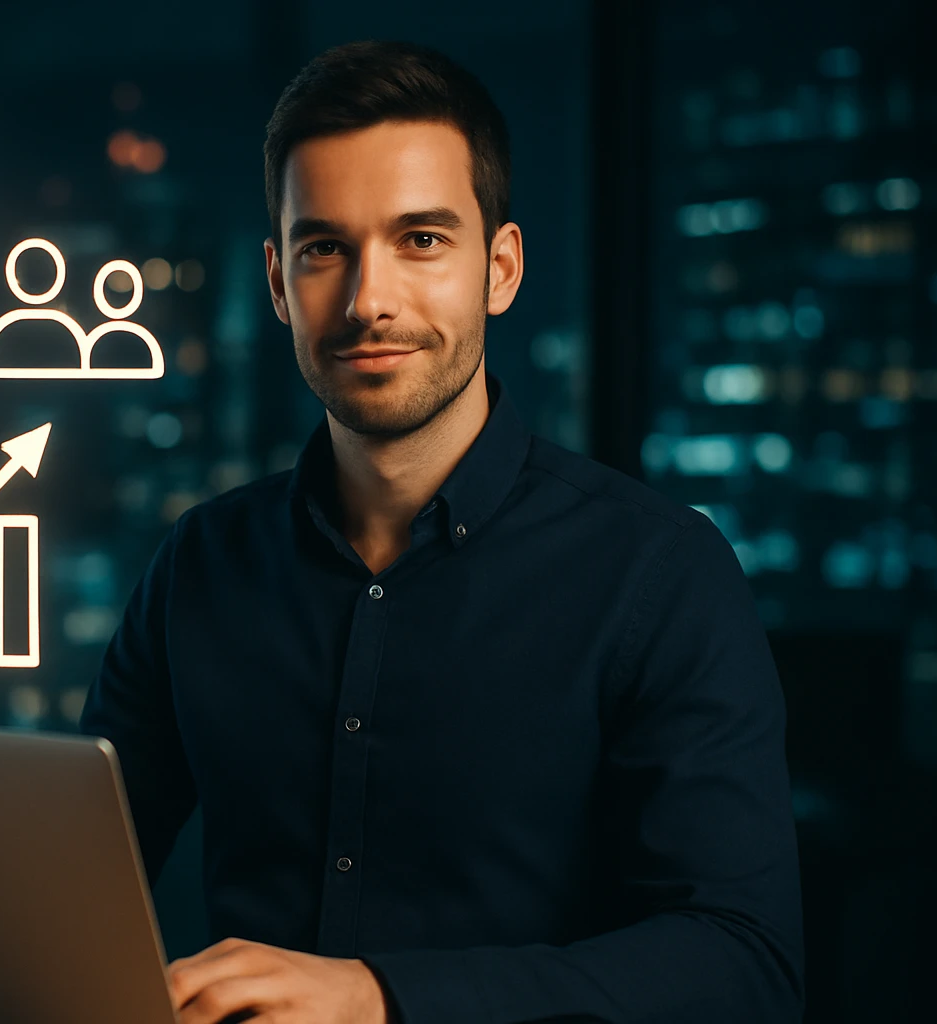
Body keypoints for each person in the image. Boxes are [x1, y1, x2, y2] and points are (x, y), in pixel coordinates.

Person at [80, 40, 804, 1024]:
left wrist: (383, 997)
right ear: (281, 282)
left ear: (499, 268)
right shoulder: (201, 565)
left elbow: (742, 965)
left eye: (420, 240)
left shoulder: (661, 573)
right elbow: (70, 881)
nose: (369, 299)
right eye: (325, 247)